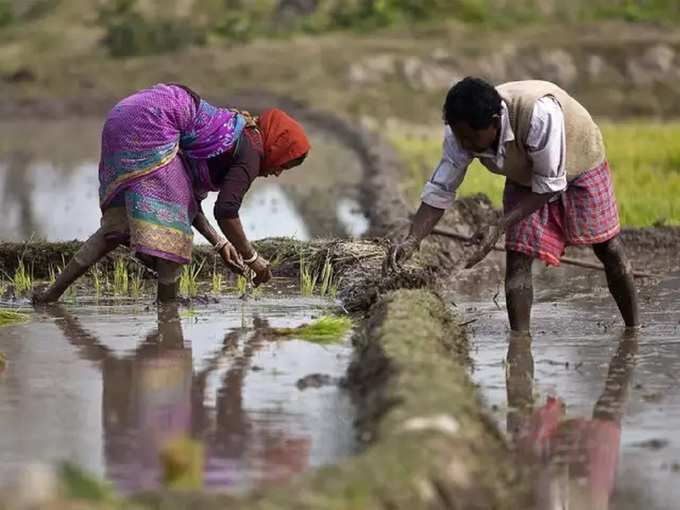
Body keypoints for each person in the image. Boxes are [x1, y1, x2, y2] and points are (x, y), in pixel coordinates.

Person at [388, 77, 639, 332]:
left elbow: (550, 184)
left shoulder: (539, 115)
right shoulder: (460, 132)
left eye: (471, 138)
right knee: (518, 255)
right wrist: (413, 239)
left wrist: (499, 225)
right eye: (460, 137)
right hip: (525, 176)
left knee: (607, 247)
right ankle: (520, 342)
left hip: (580, 158)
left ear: (495, 124)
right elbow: (441, 188)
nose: (465, 145)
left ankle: (634, 330)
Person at [33, 83, 310, 303]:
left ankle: (49, 296)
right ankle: (167, 310)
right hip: (154, 120)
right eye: (284, 163)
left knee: (116, 226)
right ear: (277, 146)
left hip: (125, 114)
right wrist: (252, 258)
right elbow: (226, 211)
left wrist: (221, 244)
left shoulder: (234, 133)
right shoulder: (251, 152)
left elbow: (185, 198)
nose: (278, 172)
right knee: (174, 240)